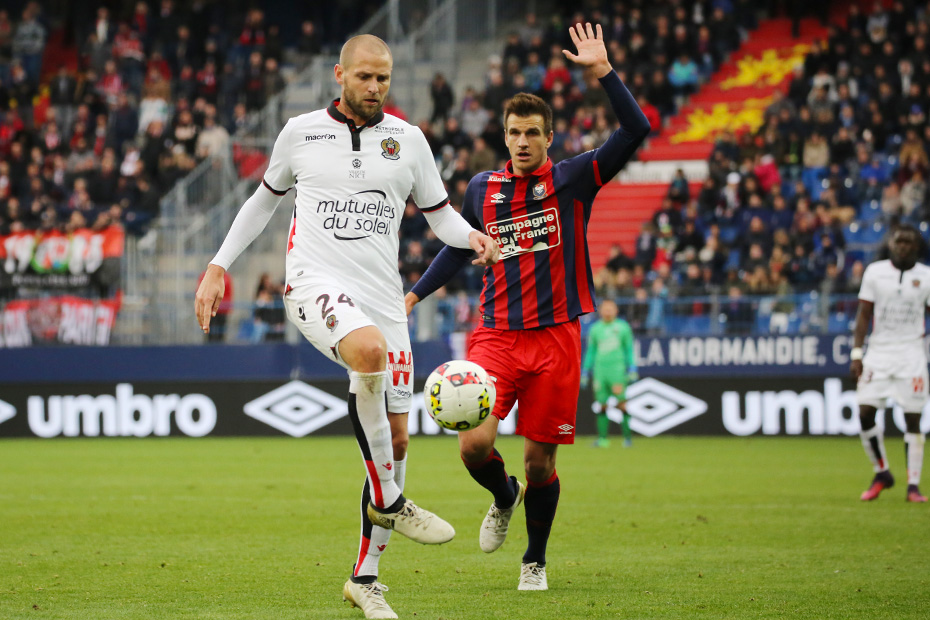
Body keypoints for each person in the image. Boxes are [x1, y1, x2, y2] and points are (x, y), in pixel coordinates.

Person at [194, 34, 499, 620]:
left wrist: (473, 237)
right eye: (364, 76)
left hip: (384, 298)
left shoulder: (408, 140)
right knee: (367, 351)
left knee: (397, 442)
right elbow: (262, 202)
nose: (375, 87)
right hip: (314, 283)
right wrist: (217, 266)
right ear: (340, 74)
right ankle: (391, 500)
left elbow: (440, 216)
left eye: (383, 78)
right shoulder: (300, 132)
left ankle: (365, 578)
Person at [406, 23, 650, 591]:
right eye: (514, 132)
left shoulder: (575, 179)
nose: (521, 141)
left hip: (556, 339)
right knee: (473, 445)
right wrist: (413, 295)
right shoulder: (481, 189)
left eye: (532, 133)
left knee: (542, 463)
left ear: (548, 137)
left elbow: (635, 129)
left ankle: (534, 559)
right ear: (504, 135)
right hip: (496, 336)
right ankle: (503, 495)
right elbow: (457, 247)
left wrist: (603, 72)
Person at [851, 225, 929, 503]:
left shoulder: (926, 276)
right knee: (864, 412)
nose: (903, 246)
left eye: (909, 242)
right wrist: (857, 353)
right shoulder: (875, 272)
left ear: (916, 247)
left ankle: (913, 486)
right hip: (879, 353)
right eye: (899, 241)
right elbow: (864, 314)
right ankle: (882, 472)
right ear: (892, 245)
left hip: (912, 355)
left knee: (913, 418)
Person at [581, 299, 638, 448]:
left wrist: (632, 367)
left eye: (610, 308)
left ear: (616, 310)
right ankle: (603, 439)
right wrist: (585, 370)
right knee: (602, 404)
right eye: (605, 308)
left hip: (617, 370)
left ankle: (627, 439)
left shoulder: (623, 327)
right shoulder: (595, 329)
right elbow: (591, 351)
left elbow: (629, 349)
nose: (607, 311)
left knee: (621, 403)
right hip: (600, 371)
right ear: (600, 311)